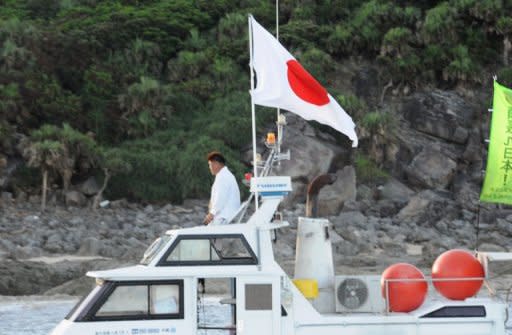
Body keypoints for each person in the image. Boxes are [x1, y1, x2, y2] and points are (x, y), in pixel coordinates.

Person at [204, 151, 241, 225]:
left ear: (216, 164)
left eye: (210, 165)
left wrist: (211, 214)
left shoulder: (223, 177)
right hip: (227, 219)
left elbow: (220, 198)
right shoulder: (226, 175)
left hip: (223, 219)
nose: (209, 168)